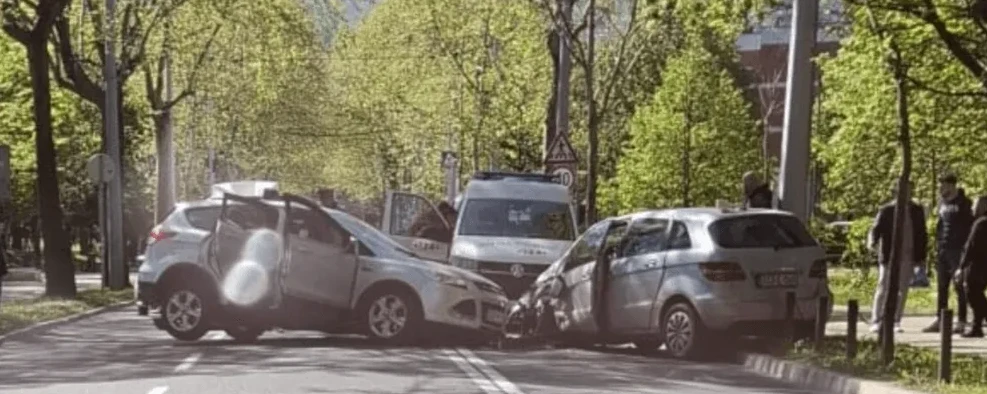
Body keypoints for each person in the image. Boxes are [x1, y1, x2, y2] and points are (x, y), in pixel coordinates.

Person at [868, 180, 928, 333]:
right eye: (903, 190)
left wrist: (921, 257)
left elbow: (922, 234)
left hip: (908, 255)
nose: (907, 193)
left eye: (909, 190)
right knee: (883, 286)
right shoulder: (887, 209)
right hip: (889, 254)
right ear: (896, 191)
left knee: (902, 288)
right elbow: (876, 229)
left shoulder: (917, 210)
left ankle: (895, 321)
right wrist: (872, 242)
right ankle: (877, 319)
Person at [924, 171, 974, 334]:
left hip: (958, 249)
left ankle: (961, 320)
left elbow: (969, 226)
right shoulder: (942, 203)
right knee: (942, 286)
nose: (941, 188)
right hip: (943, 249)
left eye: (944, 185)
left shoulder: (964, 203)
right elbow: (940, 225)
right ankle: (940, 318)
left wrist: (966, 250)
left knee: (959, 285)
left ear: (951, 185)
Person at [956, 196, 987, 338]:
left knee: (972, 293)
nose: (972, 208)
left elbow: (970, 246)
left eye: (975, 205)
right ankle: (977, 325)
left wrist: (961, 266)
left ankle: (977, 326)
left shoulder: (980, 223)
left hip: (977, 264)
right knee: (977, 293)